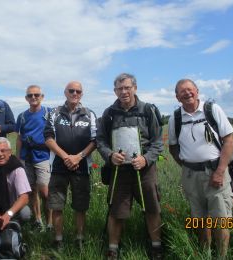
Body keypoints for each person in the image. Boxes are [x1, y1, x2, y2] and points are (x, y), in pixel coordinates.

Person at [97, 73, 163, 260]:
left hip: (145, 170)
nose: (124, 91)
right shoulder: (109, 113)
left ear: (135, 88)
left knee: (152, 208)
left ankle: (156, 247)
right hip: (119, 171)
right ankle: (112, 249)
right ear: (115, 91)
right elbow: (100, 140)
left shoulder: (148, 110)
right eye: (119, 88)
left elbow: (158, 142)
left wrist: (146, 158)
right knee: (116, 211)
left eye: (127, 87)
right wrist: (110, 155)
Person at [168, 79, 233, 258]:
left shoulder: (212, 110)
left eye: (190, 89)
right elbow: (173, 147)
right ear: (177, 97)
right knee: (198, 219)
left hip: (216, 173)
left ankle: (222, 256)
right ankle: (205, 254)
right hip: (191, 176)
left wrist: (220, 171)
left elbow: (228, 141)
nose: (187, 93)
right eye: (182, 91)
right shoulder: (175, 117)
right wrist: (187, 166)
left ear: (197, 91)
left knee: (221, 219)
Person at [44, 81, 97, 250]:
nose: (75, 93)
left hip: (81, 168)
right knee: (57, 206)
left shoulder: (90, 114)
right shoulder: (54, 113)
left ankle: (79, 239)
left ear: (82, 94)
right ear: (65, 92)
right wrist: (67, 157)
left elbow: (95, 141)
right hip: (59, 167)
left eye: (78, 91)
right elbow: (48, 138)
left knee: (80, 207)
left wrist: (78, 157)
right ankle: (58, 240)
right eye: (71, 90)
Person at [16, 85, 52, 231]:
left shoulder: (49, 113)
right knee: (31, 191)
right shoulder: (22, 116)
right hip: (26, 156)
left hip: (43, 156)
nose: (33, 98)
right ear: (26, 98)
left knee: (45, 191)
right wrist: (18, 158)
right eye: (30, 95)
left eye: (36, 95)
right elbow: (18, 137)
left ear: (42, 97)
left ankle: (49, 223)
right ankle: (37, 220)